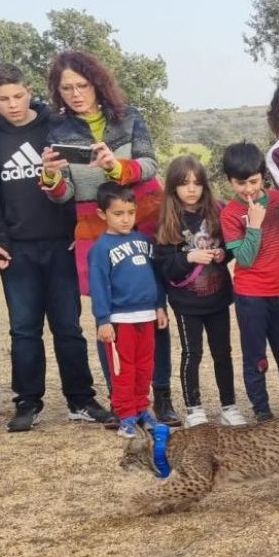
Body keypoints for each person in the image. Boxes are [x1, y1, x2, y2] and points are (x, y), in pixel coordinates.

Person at [0, 62, 110, 431]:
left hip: (63, 242)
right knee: (24, 329)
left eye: (17, 95)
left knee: (69, 327)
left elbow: (85, 175)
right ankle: (28, 402)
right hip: (15, 248)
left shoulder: (55, 125)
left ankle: (81, 399)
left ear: (29, 91)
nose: (12, 104)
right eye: (2, 98)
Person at [40, 50, 177, 424]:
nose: (75, 94)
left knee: (153, 311)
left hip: (142, 220)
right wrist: (50, 177)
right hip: (94, 228)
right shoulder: (58, 130)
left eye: (81, 85)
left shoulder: (129, 117)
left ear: (97, 84)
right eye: (66, 88)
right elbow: (64, 192)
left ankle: (161, 396)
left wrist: (116, 166)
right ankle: (123, 401)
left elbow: (150, 165)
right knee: (110, 318)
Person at [153, 155, 243, 427]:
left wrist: (221, 254)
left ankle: (229, 405)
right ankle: (194, 408)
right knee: (192, 354)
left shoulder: (218, 211)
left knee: (222, 353)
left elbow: (231, 247)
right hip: (186, 302)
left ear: (205, 185)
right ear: (173, 187)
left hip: (217, 298)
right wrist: (189, 258)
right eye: (183, 183)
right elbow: (164, 265)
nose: (191, 189)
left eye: (196, 183)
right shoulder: (167, 220)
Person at [219, 142, 279, 420]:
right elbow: (243, 259)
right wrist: (253, 225)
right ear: (230, 181)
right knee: (256, 357)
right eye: (240, 183)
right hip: (251, 296)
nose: (248, 189)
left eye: (253, 181)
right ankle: (262, 411)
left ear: (263, 176)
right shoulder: (230, 213)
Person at [87, 183, 166, 438]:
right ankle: (126, 415)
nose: (125, 219)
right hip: (120, 320)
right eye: (118, 213)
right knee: (124, 369)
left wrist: (159, 306)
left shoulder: (142, 240)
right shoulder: (100, 248)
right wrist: (103, 319)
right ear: (103, 215)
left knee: (145, 366)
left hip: (147, 316)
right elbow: (98, 286)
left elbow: (155, 277)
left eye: (130, 213)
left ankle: (143, 408)